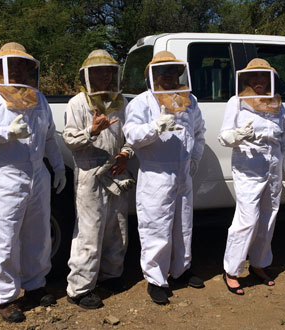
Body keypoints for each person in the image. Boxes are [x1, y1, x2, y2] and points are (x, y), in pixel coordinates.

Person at [0, 42, 67, 322]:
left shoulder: (37, 98)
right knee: (2, 239)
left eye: (22, 66)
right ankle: (5, 297)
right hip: (3, 176)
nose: (18, 70)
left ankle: (34, 285)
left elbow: (48, 136)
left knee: (38, 236)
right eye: (13, 65)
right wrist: (5, 132)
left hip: (37, 175)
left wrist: (58, 168)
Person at [123, 51, 206, 305]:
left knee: (183, 225)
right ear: (153, 74)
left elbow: (199, 130)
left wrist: (195, 158)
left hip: (182, 173)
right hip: (156, 174)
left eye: (173, 71)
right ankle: (156, 279)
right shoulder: (141, 102)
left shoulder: (189, 100)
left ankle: (181, 270)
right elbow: (132, 135)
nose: (168, 75)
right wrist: (155, 127)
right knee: (155, 227)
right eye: (163, 71)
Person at [62, 49, 134, 309]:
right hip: (90, 175)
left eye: (108, 71)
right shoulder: (78, 103)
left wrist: (126, 154)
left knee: (117, 228)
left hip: (116, 170)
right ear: (87, 75)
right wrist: (91, 131)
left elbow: (129, 136)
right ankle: (79, 288)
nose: (103, 76)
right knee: (89, 231)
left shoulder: (120, 102)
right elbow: (70, 139)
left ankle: (111, 275)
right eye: (98, 71)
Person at [218, 58, 285, 295]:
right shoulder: (237, 102)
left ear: (271, 78)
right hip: (248, 167)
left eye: (264, 76)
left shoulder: (277, 105)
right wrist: (238, 135)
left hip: (273, 167)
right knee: (247, 219)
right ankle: (232, 270)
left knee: (268, 219)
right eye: (255, 76)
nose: (259, 81)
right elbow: (224, 136)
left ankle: (259, 264)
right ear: (247, 79)